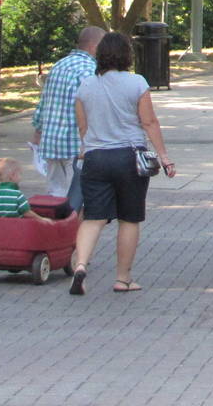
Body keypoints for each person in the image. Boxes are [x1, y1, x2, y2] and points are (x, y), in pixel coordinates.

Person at [69, 31, 177, 295]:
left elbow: (83, 126)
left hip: (95, 157)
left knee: (93, 217)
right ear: (127, 55)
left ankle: (80, 265)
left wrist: (88, 148)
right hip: (129, 157)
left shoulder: (86, 86)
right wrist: (163, 156)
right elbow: (148, 122)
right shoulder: (137, 83)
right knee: (129, 219)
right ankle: (123, 278)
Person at [33, 25, 104, 204]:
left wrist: (38, 133)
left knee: (55, 196)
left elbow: (43, 103)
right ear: (94, 46)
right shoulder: (90, 70)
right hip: (75, 145)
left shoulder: (59, 65)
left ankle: (54, 221)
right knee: (76, 198)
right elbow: (94, 108)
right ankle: (71, 223)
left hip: (51, 143)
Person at [0, 157, 56, 226]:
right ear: (13, 175)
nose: (21, 177)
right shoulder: (17, 195)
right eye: (20, 174)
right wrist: (41, 219)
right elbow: (27, 212)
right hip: (15, 228)